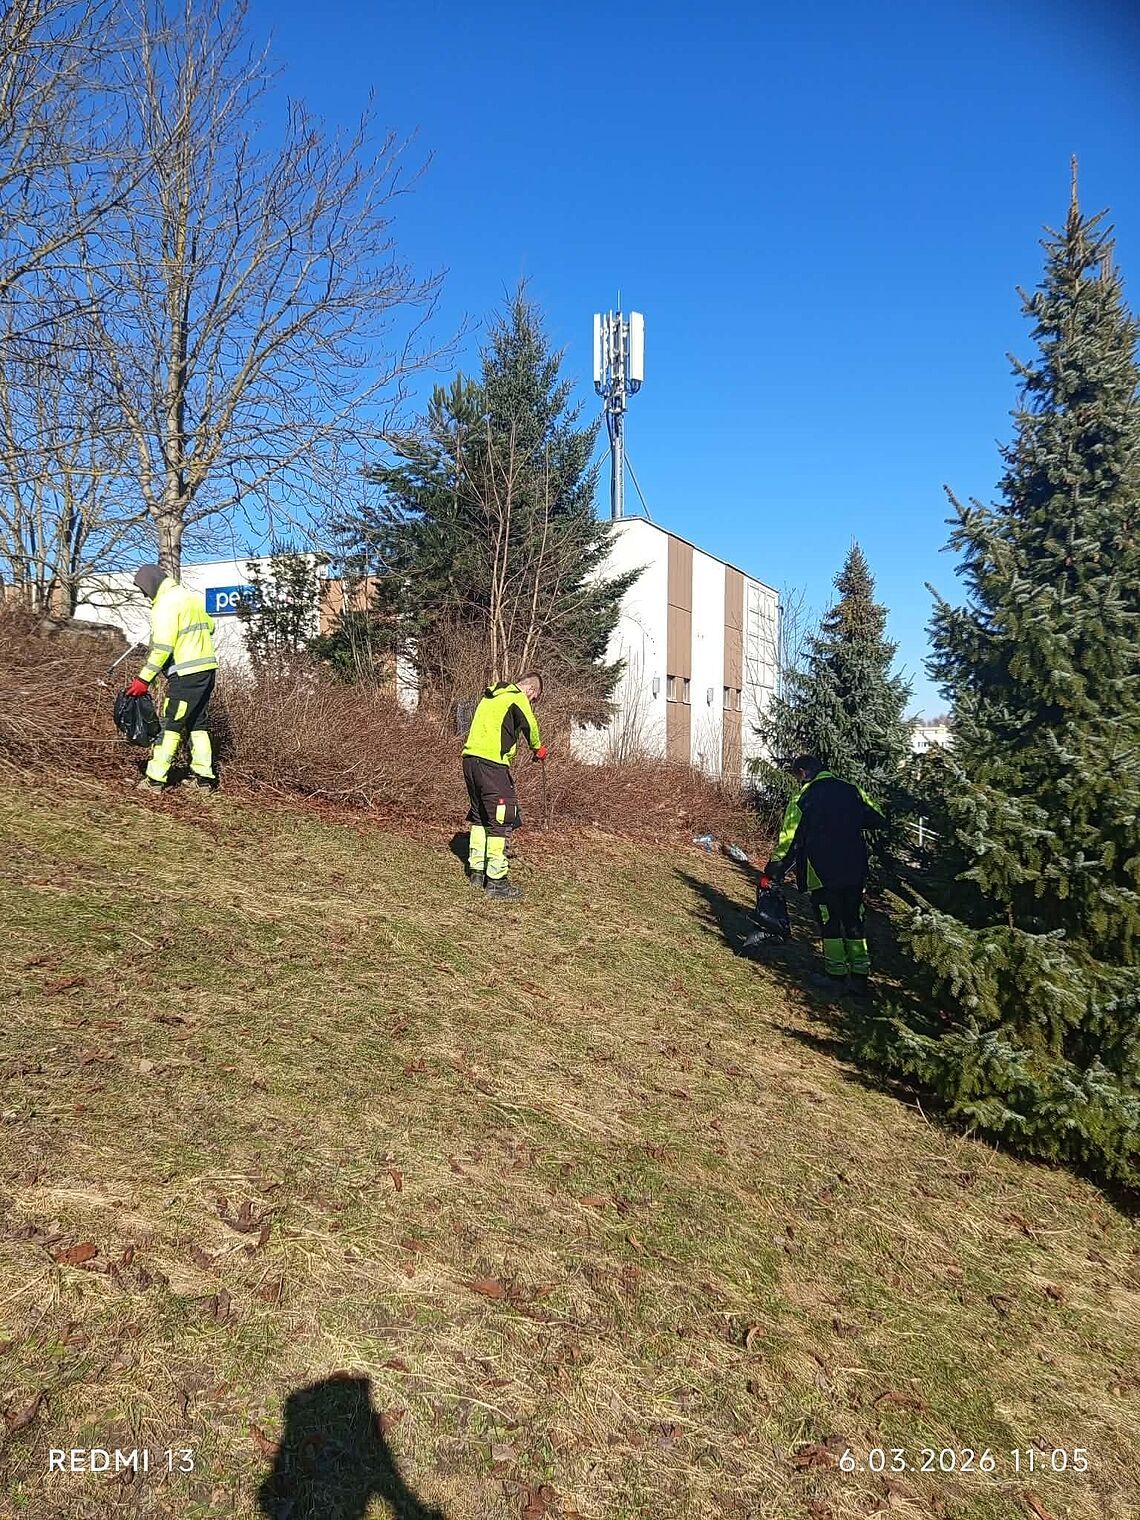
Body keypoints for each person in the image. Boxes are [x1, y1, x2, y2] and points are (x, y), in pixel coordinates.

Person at [762, 755, 884, 992]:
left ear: (804, 772)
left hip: (821, 869)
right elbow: (877, 818)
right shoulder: (853, 790)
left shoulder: (803, 797)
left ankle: (836, 975)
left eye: (798, 775)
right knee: (854, 918)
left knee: (830, 920)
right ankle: (860, 976)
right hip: (855, 866)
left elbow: (790, 839)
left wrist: (774, 869)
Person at [125, 564, 219, 793]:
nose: (144, 595)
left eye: (143, 590)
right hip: (206, 670)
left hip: (185, 673)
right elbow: (211, 626)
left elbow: (163, 648)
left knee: (170, 725)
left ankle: (154, 779)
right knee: (198, 724)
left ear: (150, 585)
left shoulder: (165, 605)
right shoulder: (190, 598)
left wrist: (143, 678)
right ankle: (204, 779)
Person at [461, 673, 546, 900]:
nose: (532, 702)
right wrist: (538, 749)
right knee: (501, 816)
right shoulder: (516, 697)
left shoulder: (490, 696)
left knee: (480, 817)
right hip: (492, 764)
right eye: (534, 698)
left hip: (470, 761)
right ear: (530, 690)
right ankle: (497, 881)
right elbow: (531, 725)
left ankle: (476, 872)